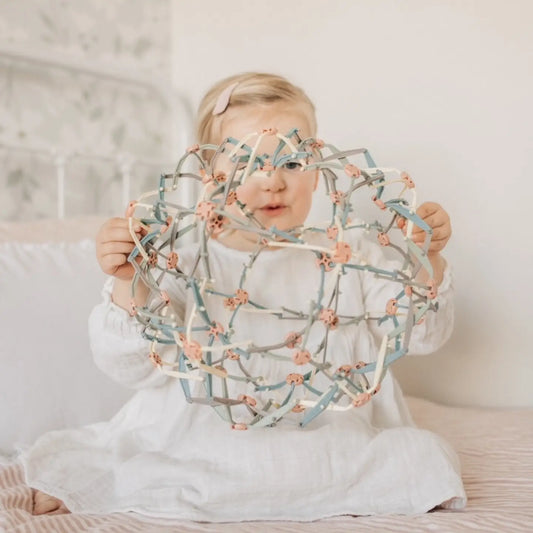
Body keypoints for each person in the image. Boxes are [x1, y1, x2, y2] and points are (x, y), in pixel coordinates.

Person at [27, 72, 466, 520]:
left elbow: (423, 335)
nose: (272, 181)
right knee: (162, 461)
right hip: (202, 435)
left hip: (328, 434)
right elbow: (130, 365)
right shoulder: (181, 254)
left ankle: (257, 486)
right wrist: (130, 278)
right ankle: (137, 479)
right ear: (207, 176)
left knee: (421, 457)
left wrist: (424, 259)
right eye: (247, 163)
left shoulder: (353, 254)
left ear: (318, 174)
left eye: (292, 163)